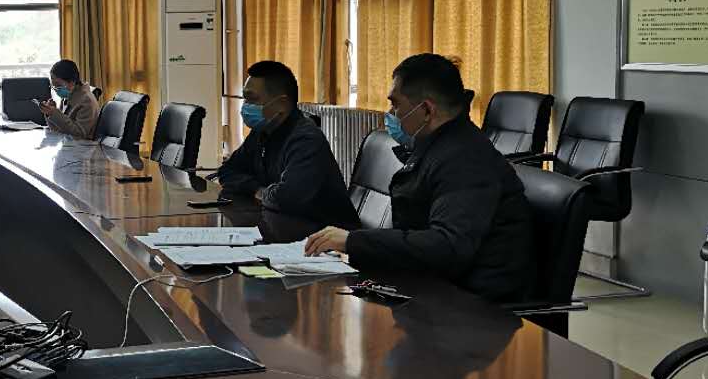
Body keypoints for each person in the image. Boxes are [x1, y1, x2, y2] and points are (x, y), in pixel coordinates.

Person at [305, 53, 534, 302]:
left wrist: (353, 242)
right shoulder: (439, 146)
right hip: (433, 286)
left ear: (426, 110)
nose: (390, 113)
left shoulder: (466, 160)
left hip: (470, 305)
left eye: (396, 104)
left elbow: (448, 246)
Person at [217, 60, 357, 228]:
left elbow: (286, 199)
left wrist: (258, 191)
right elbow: (227, 171)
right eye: (245, 99)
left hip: (326, 235)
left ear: (281, 104)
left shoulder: (306, 139)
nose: (245, 107)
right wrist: (256, 189)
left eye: (252, 99)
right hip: (282, 224)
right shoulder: (262, 131)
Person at [39, 59, 100, 139]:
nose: (56, 89)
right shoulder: (69, 96)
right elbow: (58, 130)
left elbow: (80, 134)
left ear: (72, 81)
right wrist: (49, 113)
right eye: (53, 85)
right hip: (68, 142)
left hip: (83, 145)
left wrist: (55, 113)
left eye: (58, 85)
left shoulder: (87, 101)